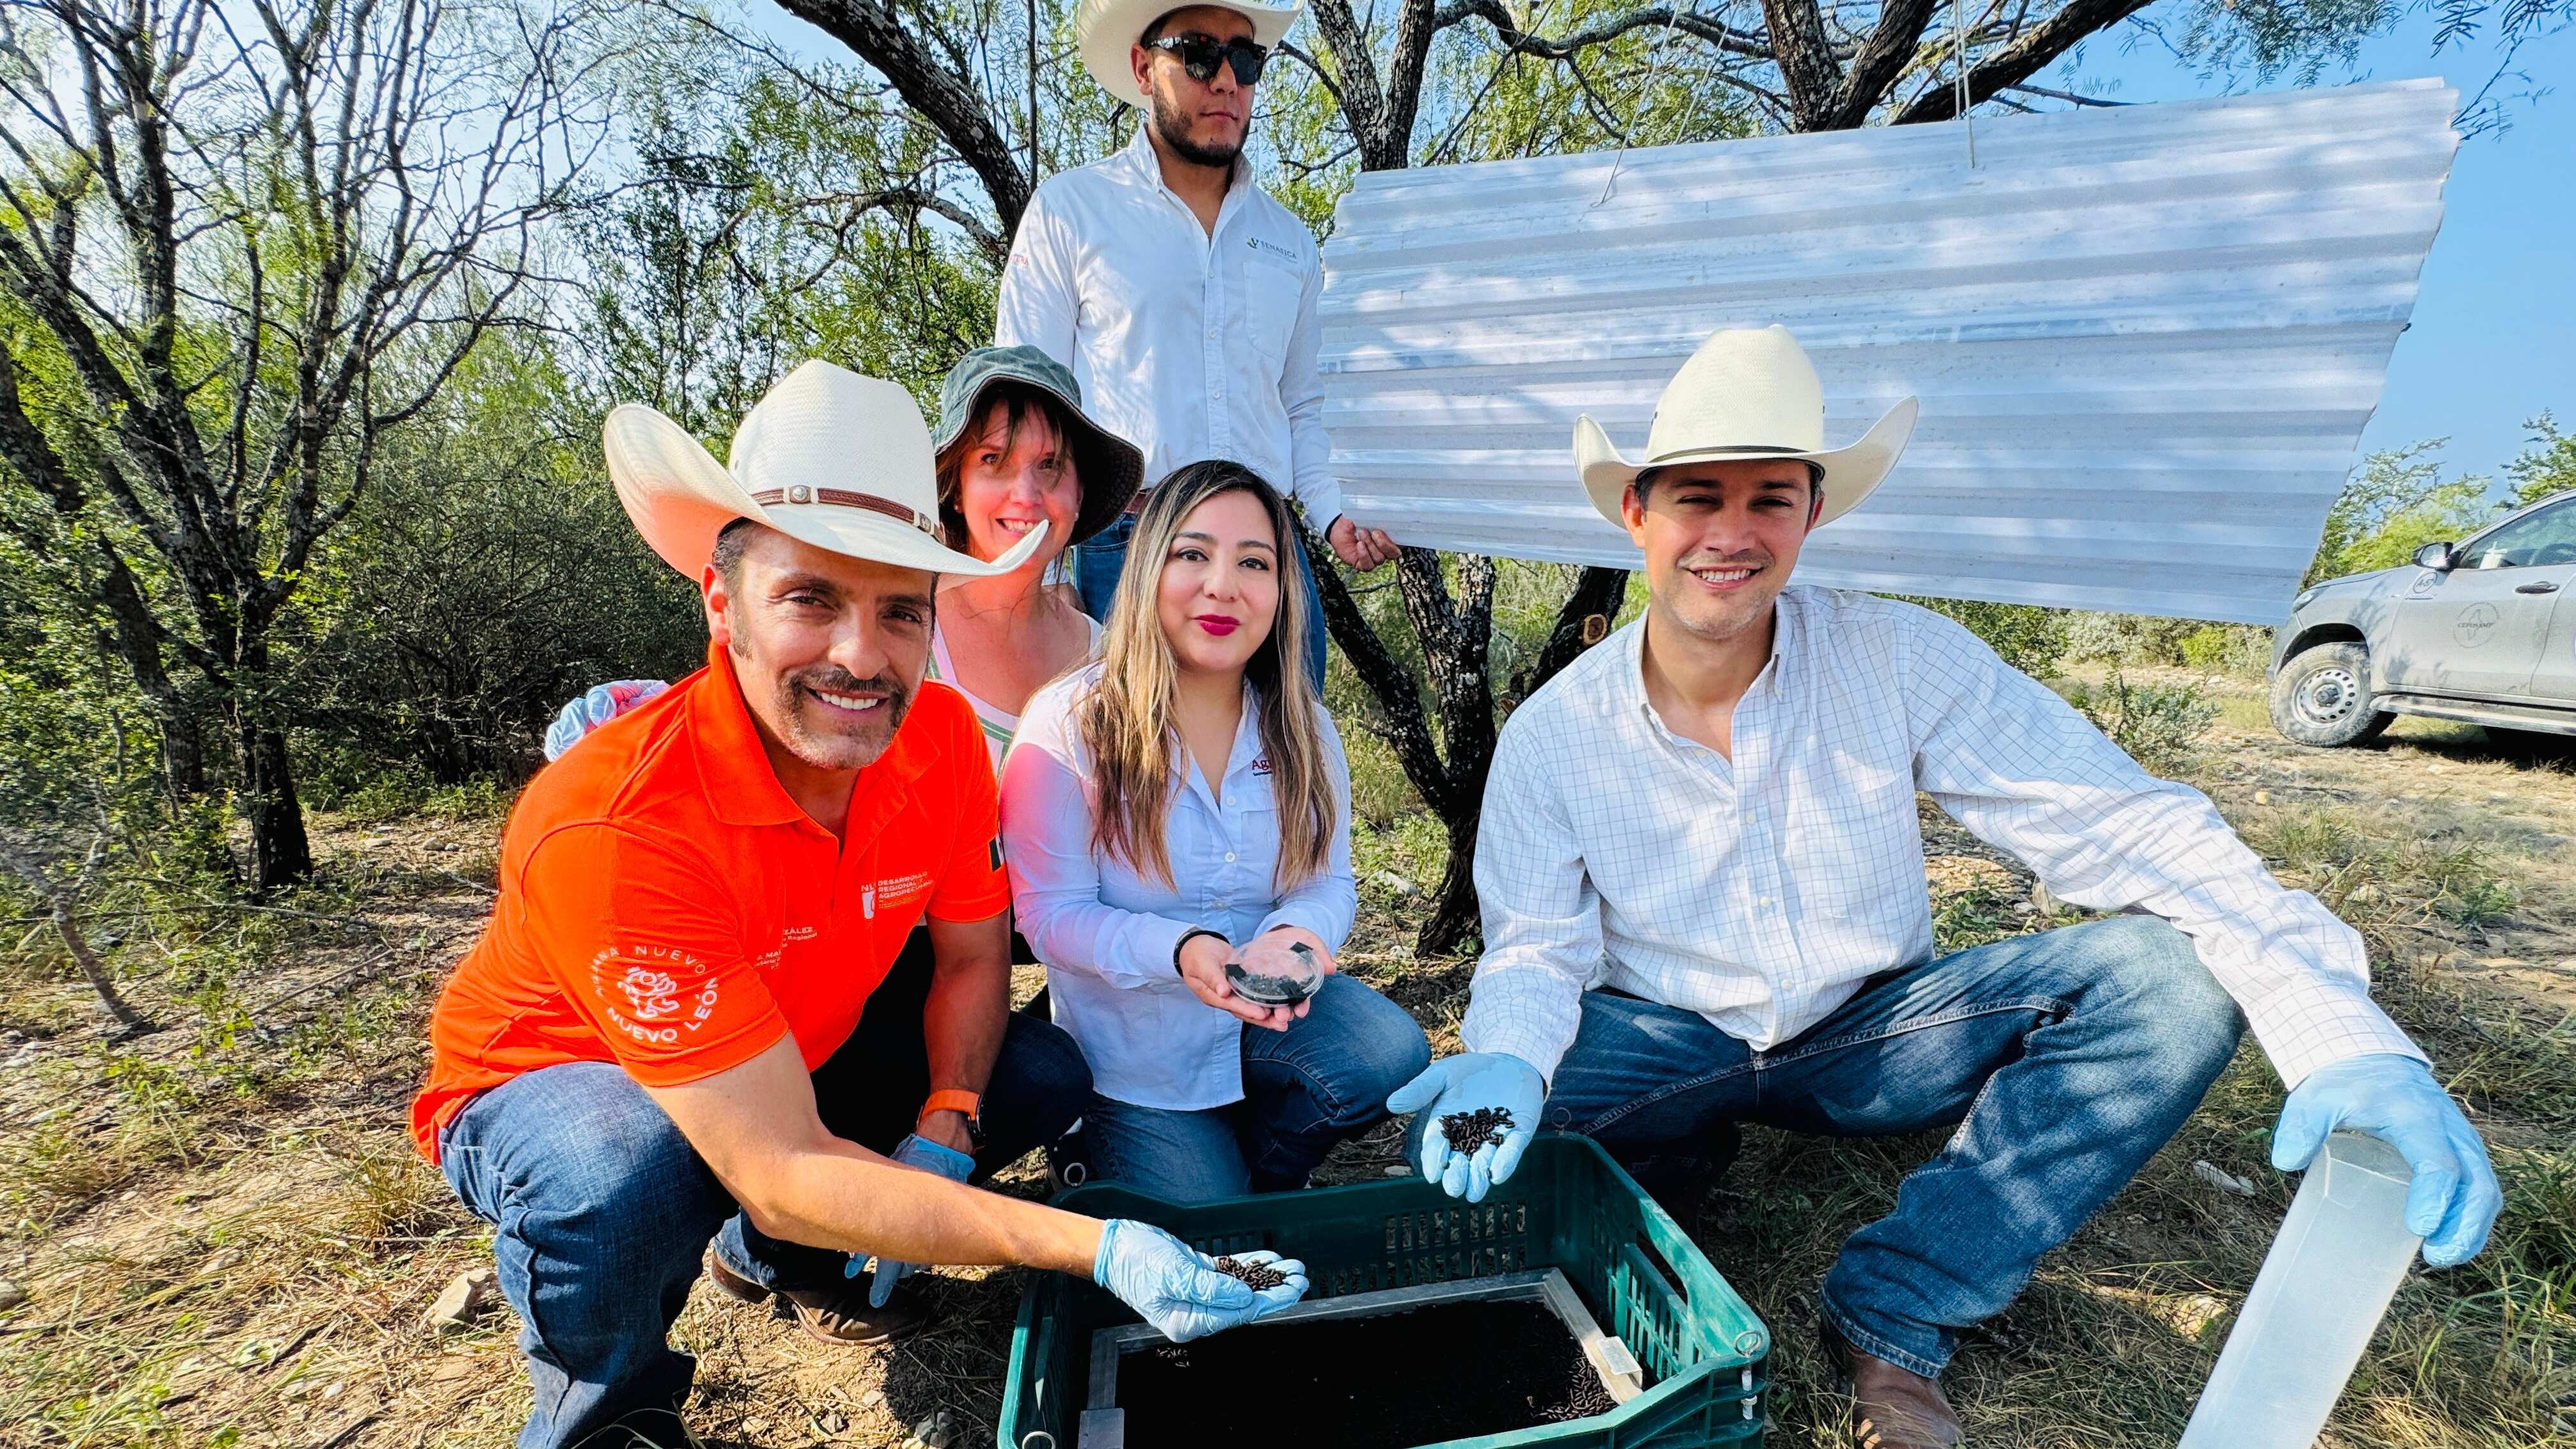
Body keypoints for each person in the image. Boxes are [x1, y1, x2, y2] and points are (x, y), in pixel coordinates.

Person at [1388, 326, 2503, 1448]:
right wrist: (1509, 1055)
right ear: (1635, 511)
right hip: (1659, 1032)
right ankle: (1668, 1165)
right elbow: (1534, 950)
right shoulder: (1553, 733)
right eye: (1696, 497)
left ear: (1812, 514)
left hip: (1868, 1034)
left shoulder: (1900, 658)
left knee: (2164, 984)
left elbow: (2131, 825)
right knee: (1454, 1159)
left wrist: (2346, 1034)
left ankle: (1898, 1303)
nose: (1730, 534)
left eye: (1769, 499)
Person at [413, 362, 1300, 1449]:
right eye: (810, 599)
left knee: (1032, 1072)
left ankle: (787, 1256)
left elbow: (976, 956)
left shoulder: (934, 737)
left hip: (793, 1029)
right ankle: (610, 1401)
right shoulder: (617, 822)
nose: (858, 656)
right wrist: (1099, 1246)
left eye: (897, 612)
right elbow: (782, 1165)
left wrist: (945, 1119)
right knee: (623, 1167)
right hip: (563, 1071)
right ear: (721, 600)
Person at [1001, 460, 1430, 1201]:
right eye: (1193, 554)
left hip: (1267, 1022)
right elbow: (1047, 916)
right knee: (1212, 1236)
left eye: (1254, 562)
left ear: (1282, 588)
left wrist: (1296, 938)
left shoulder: (1301, 725)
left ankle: (1264, 1162)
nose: (1223, 586)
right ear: (1146, 569)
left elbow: (1326, 880)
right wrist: (1182, 950)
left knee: (1387, 1054)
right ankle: (1114, 1142)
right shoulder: (1071, 723)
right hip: (1136, 1054)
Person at [997, 0, 1402, 691]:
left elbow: (1302, 405)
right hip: (1126, 547)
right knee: (1127, 782)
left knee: (1284, 775)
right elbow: (1029, 406)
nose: (1225, 80)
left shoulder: (1291, 243)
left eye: (1245, 60)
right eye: (1198, 53)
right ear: (1142, 66)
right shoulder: (1072, 211)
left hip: (1265, 552)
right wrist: (1046, 575)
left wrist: (1334, 512)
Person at [544, 345, 1142, 773]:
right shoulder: (896, 637)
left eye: (1051, 466)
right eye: (994, 461)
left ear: (1079, 492)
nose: (1028, 496)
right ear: (954, 484)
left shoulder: (1106, 655)